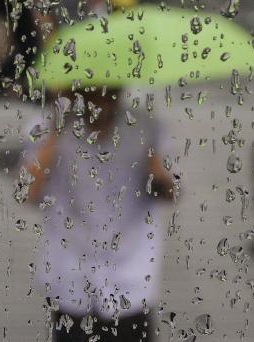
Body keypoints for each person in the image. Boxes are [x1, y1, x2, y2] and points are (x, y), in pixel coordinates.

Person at [18, 87, 177, 341]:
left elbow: (169, 193)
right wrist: (55, 134)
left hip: (130, 278)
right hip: (70, 277)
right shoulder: (45, 127)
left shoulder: (145, 127)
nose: (99, 101)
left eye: (107, 92)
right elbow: (27, 193)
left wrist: (158, 173)